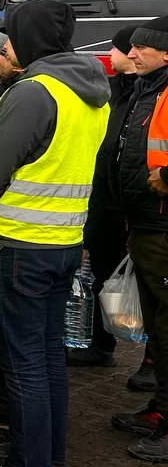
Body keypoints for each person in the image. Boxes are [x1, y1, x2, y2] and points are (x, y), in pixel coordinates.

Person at [0, 0, 109, 467]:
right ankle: (45, 458)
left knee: (21, 362)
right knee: (46, 356)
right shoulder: (92, 94)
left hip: (17, 248)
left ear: (31, 40)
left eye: (11, 36)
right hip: (63, 245)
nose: (6, 46)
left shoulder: (33, 92)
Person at [107, 15, 168, 461]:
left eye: (141, 48)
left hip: (163, 227)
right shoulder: (148, 90)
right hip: (146, 226)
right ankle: (161, 411)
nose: (132, 52)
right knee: (159, 331)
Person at [79, 27, 153, 385]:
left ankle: (149, 361)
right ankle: (101, 344)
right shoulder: (125, 91)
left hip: (136, 210)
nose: (113, 54)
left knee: (150, 289)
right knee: (104, 277)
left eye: (120, 48)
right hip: (109, 203)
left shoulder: (146, 94)